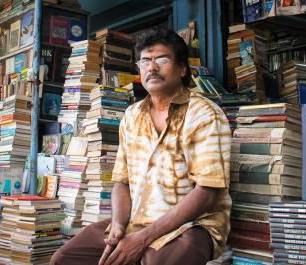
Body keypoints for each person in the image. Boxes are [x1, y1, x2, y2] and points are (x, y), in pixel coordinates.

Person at [50, 27, 232, 265]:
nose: (152, 67)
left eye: (162, 60)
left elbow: (207, 192)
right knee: (65, 258)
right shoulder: (132, 115)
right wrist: (117, 225)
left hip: (191, 226)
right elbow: (122, 182)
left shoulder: (204, 114)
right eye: (145, 61)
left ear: (182, 68)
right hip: (137, 220)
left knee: (154, 261)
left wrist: (143, 239)